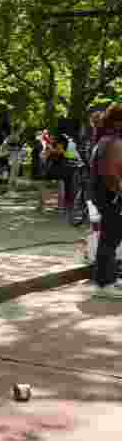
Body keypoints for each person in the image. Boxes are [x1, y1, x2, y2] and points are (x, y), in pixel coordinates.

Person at [89, 103, 122, 297]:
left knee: (111, 236)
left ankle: (108, 278)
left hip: (106, 196)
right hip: (112, 197)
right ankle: (104, 284)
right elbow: (111, 174)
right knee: (110, 238)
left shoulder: (106, 140)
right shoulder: (112, 142)